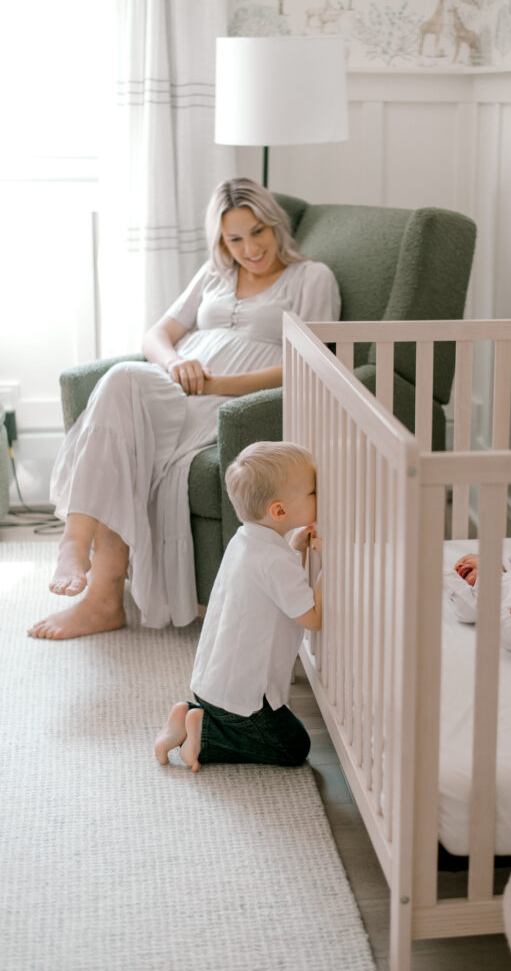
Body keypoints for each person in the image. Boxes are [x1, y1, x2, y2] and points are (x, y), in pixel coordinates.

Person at [29, 179, 340, 640]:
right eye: (234, 239)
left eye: (258, 232)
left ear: (275, 226)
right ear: (220, 240)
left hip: (225, 401)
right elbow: (155, 335)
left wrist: (217, 383)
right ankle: (82, 558)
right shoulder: (214, 274)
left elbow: (311, 362)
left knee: (124, 430)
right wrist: (175, 362)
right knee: (120, 381)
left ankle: (100, 596)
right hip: (177, 387)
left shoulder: (312, 277)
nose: (250, 248)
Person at [154, 441, 322, 772]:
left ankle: (189, 713)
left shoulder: (245, 539)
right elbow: (313, 618)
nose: (320, 496)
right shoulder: (275, 562)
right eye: (313, 492)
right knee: (294, 746)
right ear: (279, 511)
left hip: (212, 684)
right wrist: (335, 570)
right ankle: (205, 735)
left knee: (282, 736)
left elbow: (279, 589)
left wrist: (296, 547)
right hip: (243, 701)